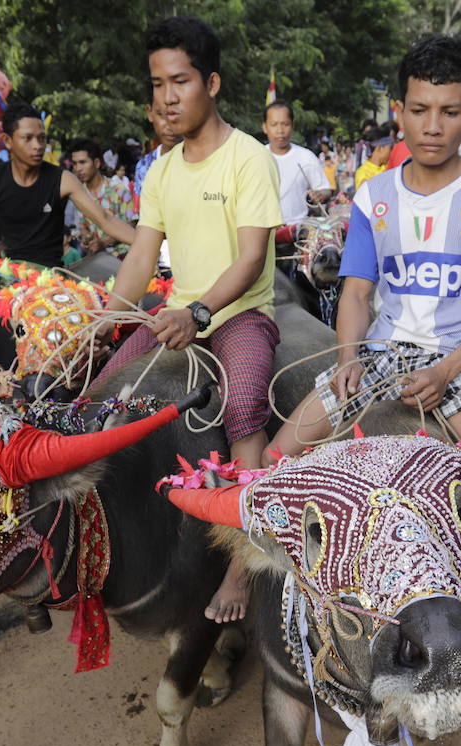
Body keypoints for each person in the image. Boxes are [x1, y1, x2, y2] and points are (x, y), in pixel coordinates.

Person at [267, 34, 461, 495]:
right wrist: (348, 358)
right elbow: (356, 292)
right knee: (273, 461)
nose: (432, 126)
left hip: (459, 362)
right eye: (419, 110)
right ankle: (242, 570)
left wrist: (444, 372)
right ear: (399, 111)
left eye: (449, 112)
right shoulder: (372, 194)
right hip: (379, 355)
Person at [99, 15, 283, 623]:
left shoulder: (248, 158)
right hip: (176, 315)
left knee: (243, 404)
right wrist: (107, 317)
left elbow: (252, 256)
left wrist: (199, 311)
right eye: (156, 84)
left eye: (179, 81)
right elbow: (141, 255)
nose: (166, 97)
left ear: (213, 83)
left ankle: (245, 558)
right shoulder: (162, 168)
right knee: (97, 400)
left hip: (236, 315)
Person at [0, 101, 137, 277]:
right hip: (12, 280)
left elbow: (106, 220)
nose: (38, 146)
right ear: (7, 140)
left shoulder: (63, 179)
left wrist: (149, 244)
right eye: (28, 138)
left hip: (52, 279)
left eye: (42, 138)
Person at [263, 102, 332, 226]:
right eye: (274, 124)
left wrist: (320, 195)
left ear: (292, 126)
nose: (280, 130)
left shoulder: (306, 157)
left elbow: (325, 189)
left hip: (297, 233)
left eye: (285, 124)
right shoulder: (257, 157)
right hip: (263, 231)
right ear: (265, 127)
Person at [68, 137, 137, 255]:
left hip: (124, 257)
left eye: (83, 162)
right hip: (96, 259)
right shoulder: (79, 194)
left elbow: (132, 224)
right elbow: (83, 226)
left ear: (97, 163)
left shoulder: (119, 190)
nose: (78, 168)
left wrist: (104, 242)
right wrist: (87, 238)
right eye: (75, 164)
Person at [134, 103, 184, 207]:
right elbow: (139, 213)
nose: (170, 125)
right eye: (161, 114)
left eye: (177, 115)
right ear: (150, 113)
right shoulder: (144, 166)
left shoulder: (203, 161)